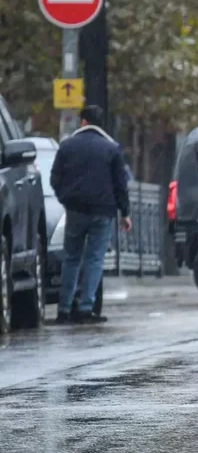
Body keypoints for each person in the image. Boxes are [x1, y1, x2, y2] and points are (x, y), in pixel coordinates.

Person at [50, 105, 131, 324]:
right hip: (102, 211)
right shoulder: (112, 148)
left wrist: (66, 199)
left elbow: (54, 179)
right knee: (95, 258)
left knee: (71, 258)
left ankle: (64, 309)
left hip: (75, 211)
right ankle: (86, 307)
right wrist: (125, 212)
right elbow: (120, 184)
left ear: (83, 122)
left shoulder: (67, 147)